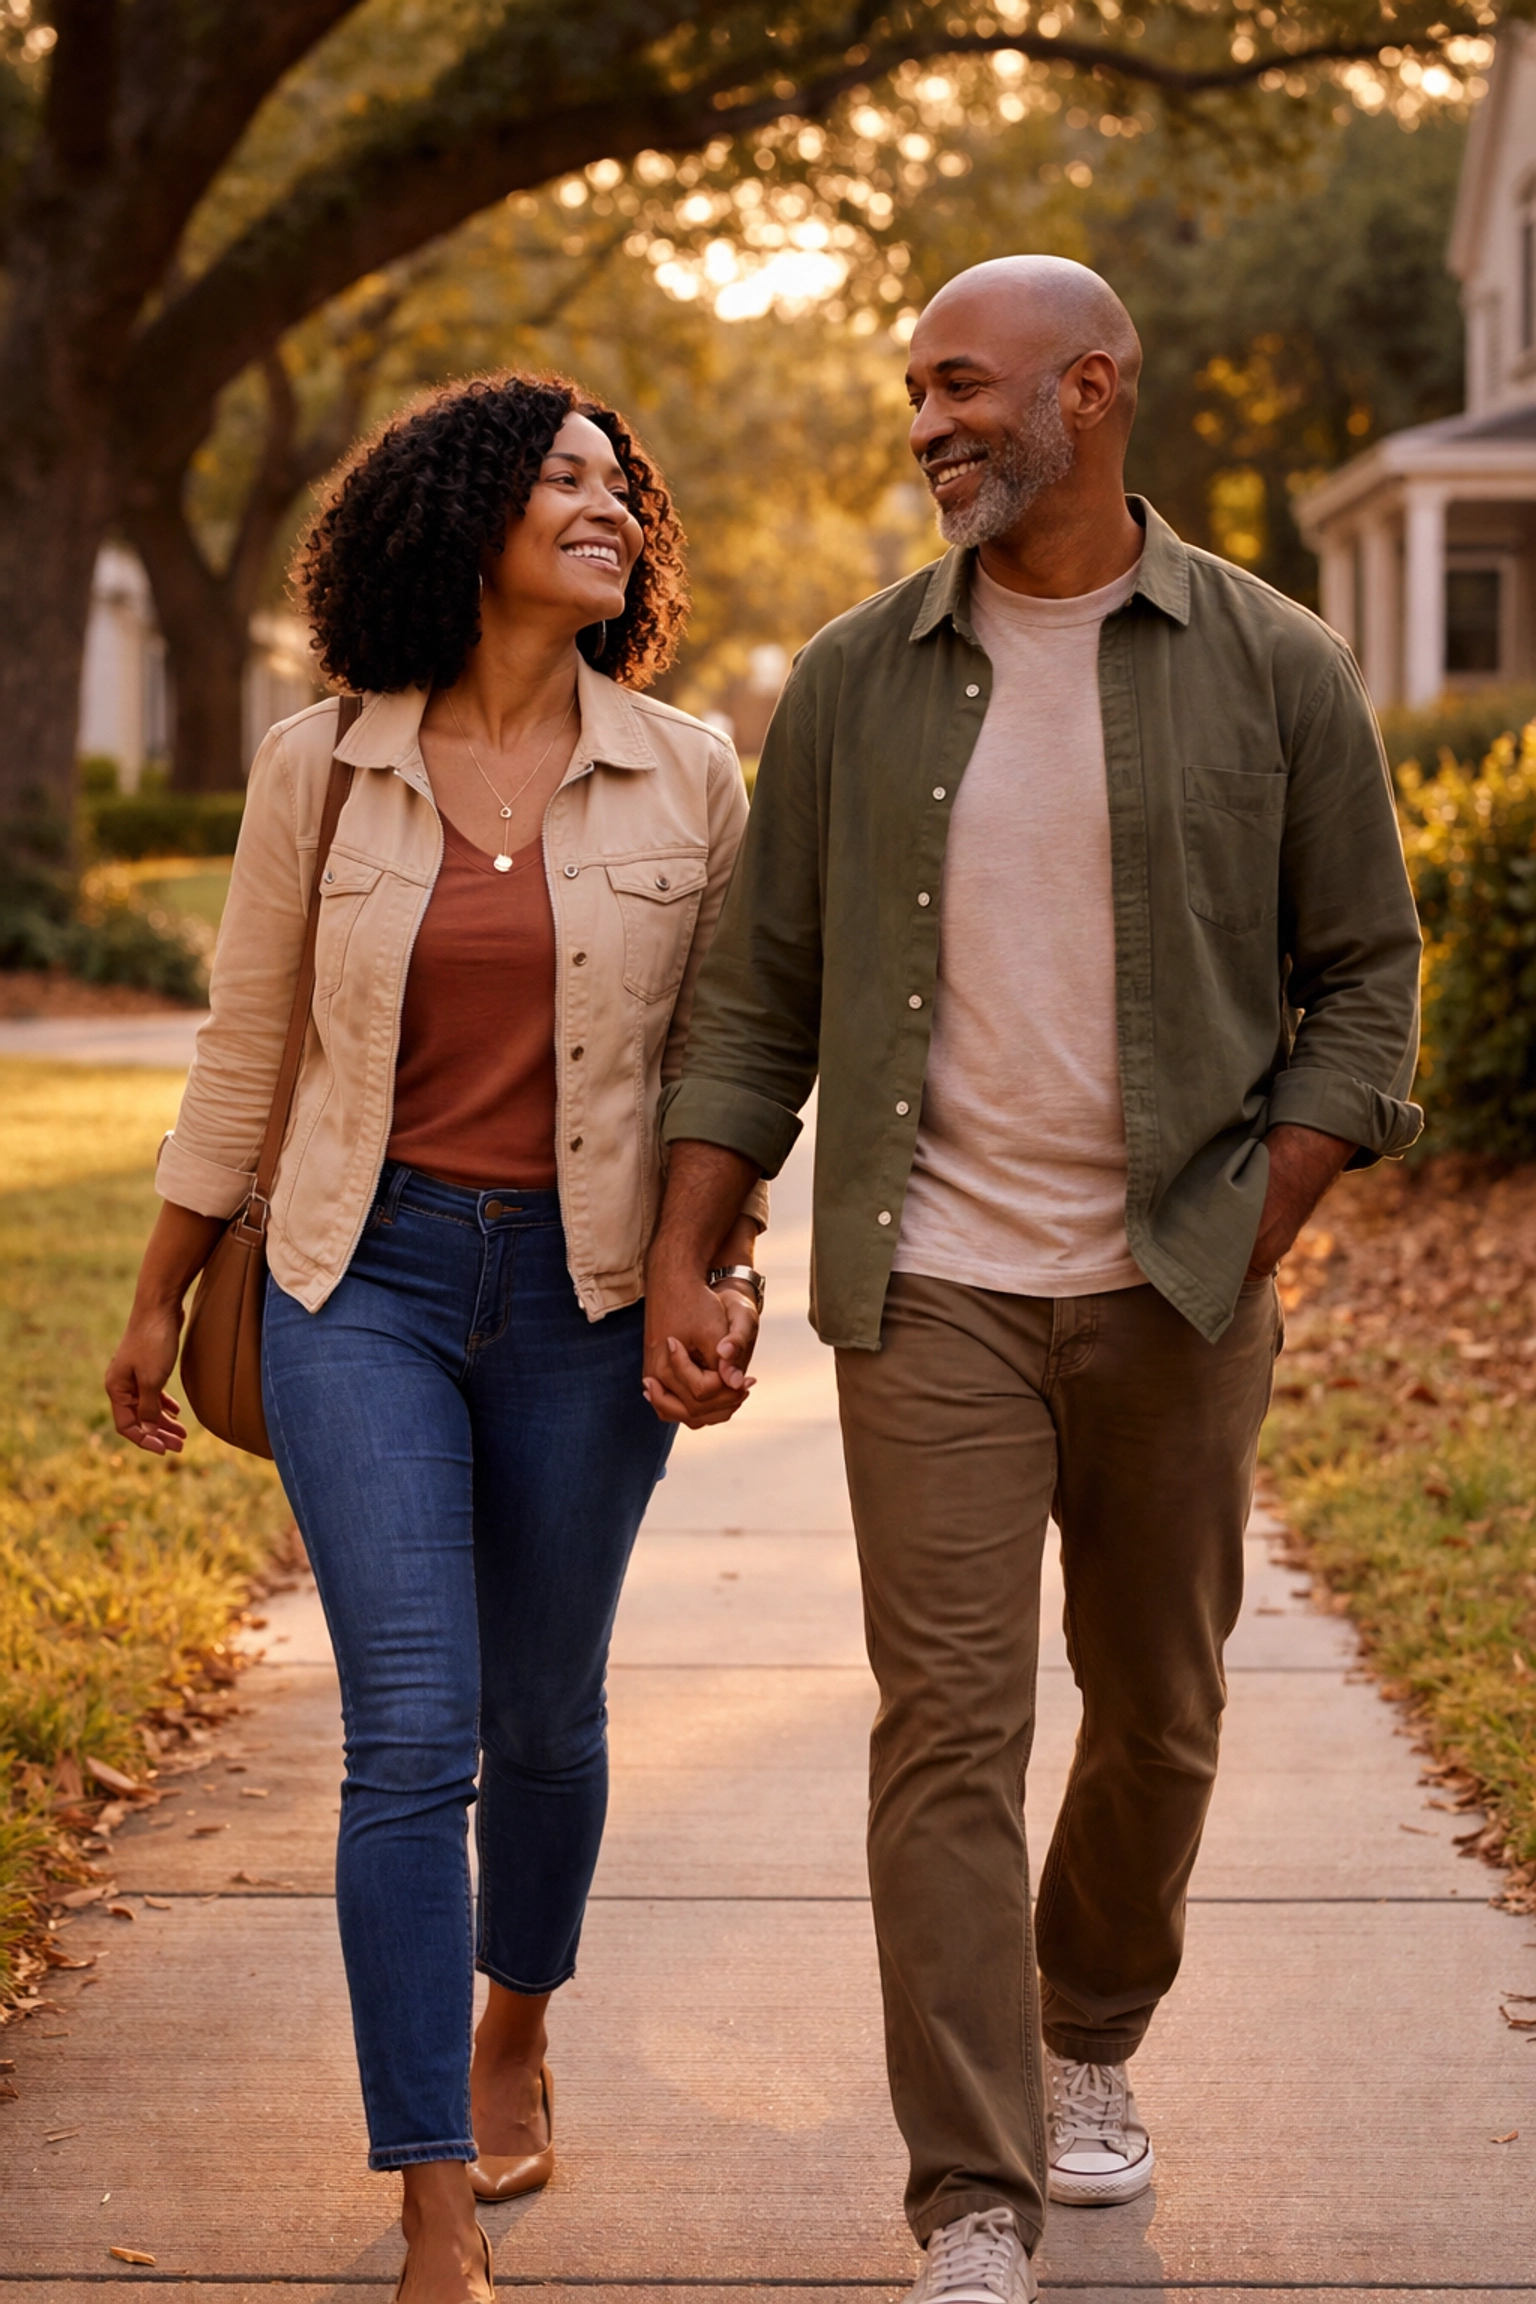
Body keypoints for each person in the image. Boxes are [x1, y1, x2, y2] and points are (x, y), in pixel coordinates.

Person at [641, 257, 1422, 2304]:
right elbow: (757, 1005)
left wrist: (1258, 1225)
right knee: (948, 1732)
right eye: (915, 392)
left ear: (1094, 389)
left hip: (1184, 1279)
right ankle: (969, 2196)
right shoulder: (851, 680)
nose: (928, 426)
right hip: (939, 1284)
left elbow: (1366, 986)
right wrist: (688, 1253)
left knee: (1157, 1713)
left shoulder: (1273, 662)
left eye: (966, 388)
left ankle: (1093, 2039)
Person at [105, 372, 765, 2304]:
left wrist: (708, 1268)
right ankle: (428, 2205)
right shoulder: (319, 766)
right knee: (408, 1732)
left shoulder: (690, 770)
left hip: (583, 1292)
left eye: (619, 485)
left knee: (544, 1717)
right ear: (456, 516)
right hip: (355, 1281)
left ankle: (518, 2022)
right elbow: (248, 1040)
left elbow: (727, 1062)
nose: (610, 506)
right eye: (563, 478)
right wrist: (160, 1281)